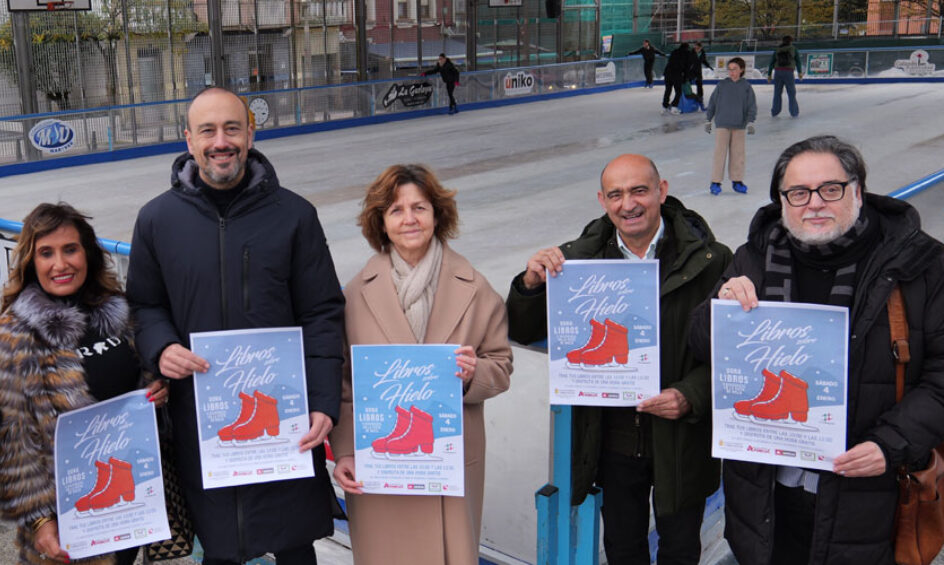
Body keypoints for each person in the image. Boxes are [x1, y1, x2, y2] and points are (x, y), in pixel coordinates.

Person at [688, 135, 944, 565]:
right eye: (799, 193)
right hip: (767, 500)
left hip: (868, 503)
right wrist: (720, 312)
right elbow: (699, 345)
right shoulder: (753, 259)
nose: (814, 204)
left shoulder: (922, 266)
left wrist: (889, 444)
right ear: (783, 200)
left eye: (831, 189)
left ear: (857, 191)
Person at [126, 86, 345, 565]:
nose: (220, 141)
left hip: (283, 419)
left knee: (292, 543)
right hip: (204, 418)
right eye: (207, 130)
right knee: (221, 546)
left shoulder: (295, 215)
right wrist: (161, 347)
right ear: (188, 140)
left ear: (250, 133)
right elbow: (143, 305)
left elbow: (322, 313)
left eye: (231, 128)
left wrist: (325, 402)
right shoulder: (157, 220)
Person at [507, 154, 732, 565]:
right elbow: (522, 330)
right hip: (613, 439)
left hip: (681, 440)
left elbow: (731, 356)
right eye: (616, 194)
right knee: (623, 550)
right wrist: (530, 285)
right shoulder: (577, 262)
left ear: (662, 191)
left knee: (680, 550)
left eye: (639, 191)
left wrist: (689, 396)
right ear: (602, 200)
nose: (628, 204)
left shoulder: (711, 260)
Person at [329, 164, 513, 565]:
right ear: (380, 221)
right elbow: (344, 383)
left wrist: (472, 375)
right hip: (380, 461)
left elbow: (501, 363)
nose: (409, 219)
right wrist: (344, 450)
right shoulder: (355, 294)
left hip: (448, 457)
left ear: (437, 215)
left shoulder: (475, 287)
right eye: (396, 210)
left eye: (420, 208)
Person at [0, 202, 168, 565]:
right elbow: (9, 441)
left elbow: (139, 390)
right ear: (31, 262)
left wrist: (159, 391)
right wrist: (40, 520)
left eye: (70, 249)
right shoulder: (11, 336)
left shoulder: (119, 312)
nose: (60, 264)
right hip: (66, 515)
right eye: (46, 253)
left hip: (124, 499)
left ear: (88, 253)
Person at [704, 57, 757, 195]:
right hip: (722, 123)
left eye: (735, 69)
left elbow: (751, 105)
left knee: (738, 154)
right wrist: (708, 119)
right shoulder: (722, 85)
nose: (731, 72)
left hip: (739, 125)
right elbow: (713, 102)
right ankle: (715, 182)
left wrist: (751, 121)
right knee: (719, 153)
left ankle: (737, 181)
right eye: (730, 69)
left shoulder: (746, 87)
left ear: (742, 70)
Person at [767, 35, 801, 117]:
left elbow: (771, 62)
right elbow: (798, 61)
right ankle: (794, 112)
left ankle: (775, 111)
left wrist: (769, 74)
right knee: (791, 92)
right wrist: (800, 72)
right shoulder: (793, 49)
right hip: (788, 72)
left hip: (778, 72)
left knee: (777, 92)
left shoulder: (777, 49)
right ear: (791, 41)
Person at [662, 43, 696, 114]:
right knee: (678, 91)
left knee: (668, 90)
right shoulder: (687, 54)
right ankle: (674, 107)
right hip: (676, 74)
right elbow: (687, 67)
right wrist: (685, 77)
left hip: (667, 73)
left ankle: (665, 107)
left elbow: (670, 61)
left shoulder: (674, 51)